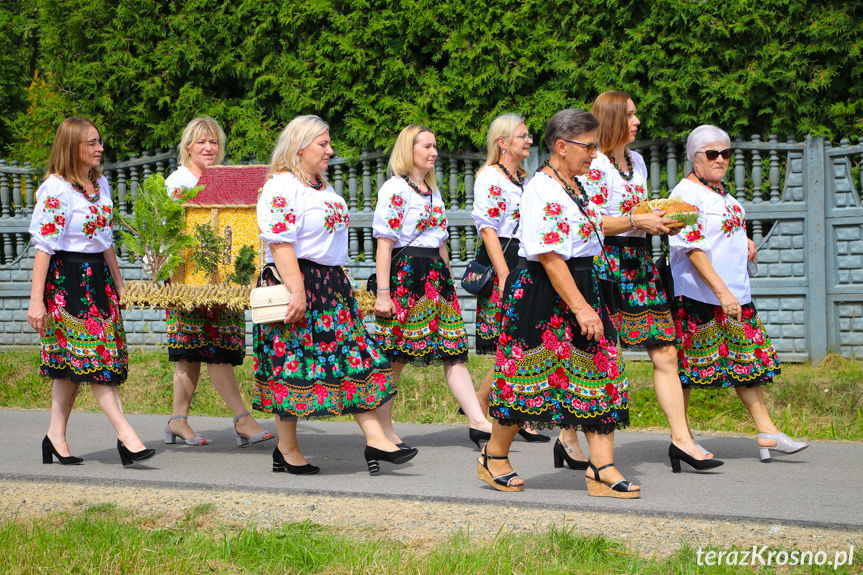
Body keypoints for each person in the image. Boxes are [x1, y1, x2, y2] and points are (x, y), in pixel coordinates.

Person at [557, 91, 723, 473]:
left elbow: (639, 211)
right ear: (613, 118)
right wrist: (636, 221)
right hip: (602, 261)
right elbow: (591, 221)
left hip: (639, 261)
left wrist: (661, 218)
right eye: (630, 115)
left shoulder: (637, 161)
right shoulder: (593, 164)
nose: (637, 121)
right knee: (595, 352)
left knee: (665, 350)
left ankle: (682, 440)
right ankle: (568, 437)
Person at [478, 108, 639, 498]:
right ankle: (494, 456)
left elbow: (594, 225)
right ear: (562, 146)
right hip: (544, 290)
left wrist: (638, 219)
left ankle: (602, 469)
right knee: (526, 379)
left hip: (580, 280)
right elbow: (550, 257)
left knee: (599, 371)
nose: (595, 154)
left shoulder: (574, 185)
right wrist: (582, 308)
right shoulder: (543, 189)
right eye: (589, 146)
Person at [254, 115, 417, 475]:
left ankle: (373, 437)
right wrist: (297, 291)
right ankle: (291, 448)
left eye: (329, 143)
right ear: (299, 147)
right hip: (298, 279)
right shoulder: (281, 186)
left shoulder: (321, 187)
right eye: (322, 144)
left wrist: (339, 275)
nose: (330, 150)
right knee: (293, 365)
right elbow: (280, 243)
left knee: (352, 359)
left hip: (329, 284)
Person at [669, 124, 808, 463]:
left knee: (747, 363)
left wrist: (744, 240)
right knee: (687, 370)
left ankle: (767, 432)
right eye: (712, 154)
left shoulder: (720, 192)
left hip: (734, 294)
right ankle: (682, 440)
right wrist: (722, 292)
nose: (721, 160)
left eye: (726, 153)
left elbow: (720, 232)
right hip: (701, 296)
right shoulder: (686, 195)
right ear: (694, 157)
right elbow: (693, 249)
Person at [27, 116, 155, 467]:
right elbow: (44, 246)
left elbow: (105, 240)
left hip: (98, 279)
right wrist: (36, 301)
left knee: (74, 364)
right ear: (73, 147)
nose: (100, 148)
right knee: (94, 357)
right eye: (92, 143)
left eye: (100, 142)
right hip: (67, 282)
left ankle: (55, 436)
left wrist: (120, 283)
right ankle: (127, 437)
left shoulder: (100, 184)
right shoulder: (56, 189)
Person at [372, 124, 493, 450]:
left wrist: (449, 279)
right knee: (395, 356)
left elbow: (440, 242)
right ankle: (382, 427)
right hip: (406, 277)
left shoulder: (431, 190)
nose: (434, 152)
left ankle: (478, 421)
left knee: (454, 353)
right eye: (426, 146)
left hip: (436, 278)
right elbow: (384, 244)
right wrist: (384, 293)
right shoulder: (395, 189)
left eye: (435, 146)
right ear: (408, 150)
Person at [163, 117, 274, 448]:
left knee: (205, 352)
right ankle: (242, 420)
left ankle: (177, 421)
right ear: (188, 147)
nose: (208, 148)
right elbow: (165, 230)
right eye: (201, 142)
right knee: (201, 352)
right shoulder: (177, 183)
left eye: (213, 142)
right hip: (188, 281)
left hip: (227, 281)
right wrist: (166, 275)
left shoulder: (226, 182)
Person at [470, 113, 548, 443]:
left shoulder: (523, 179)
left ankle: (488, 402)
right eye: (522, 136)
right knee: (512, 339)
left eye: (528, 136)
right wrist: (503, 274)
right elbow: (487, 228)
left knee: (524, 339)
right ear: (502, 142)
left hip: (525, 257)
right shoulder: (489, 177)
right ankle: (503, 409)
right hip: (502, 257)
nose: (529, 141)